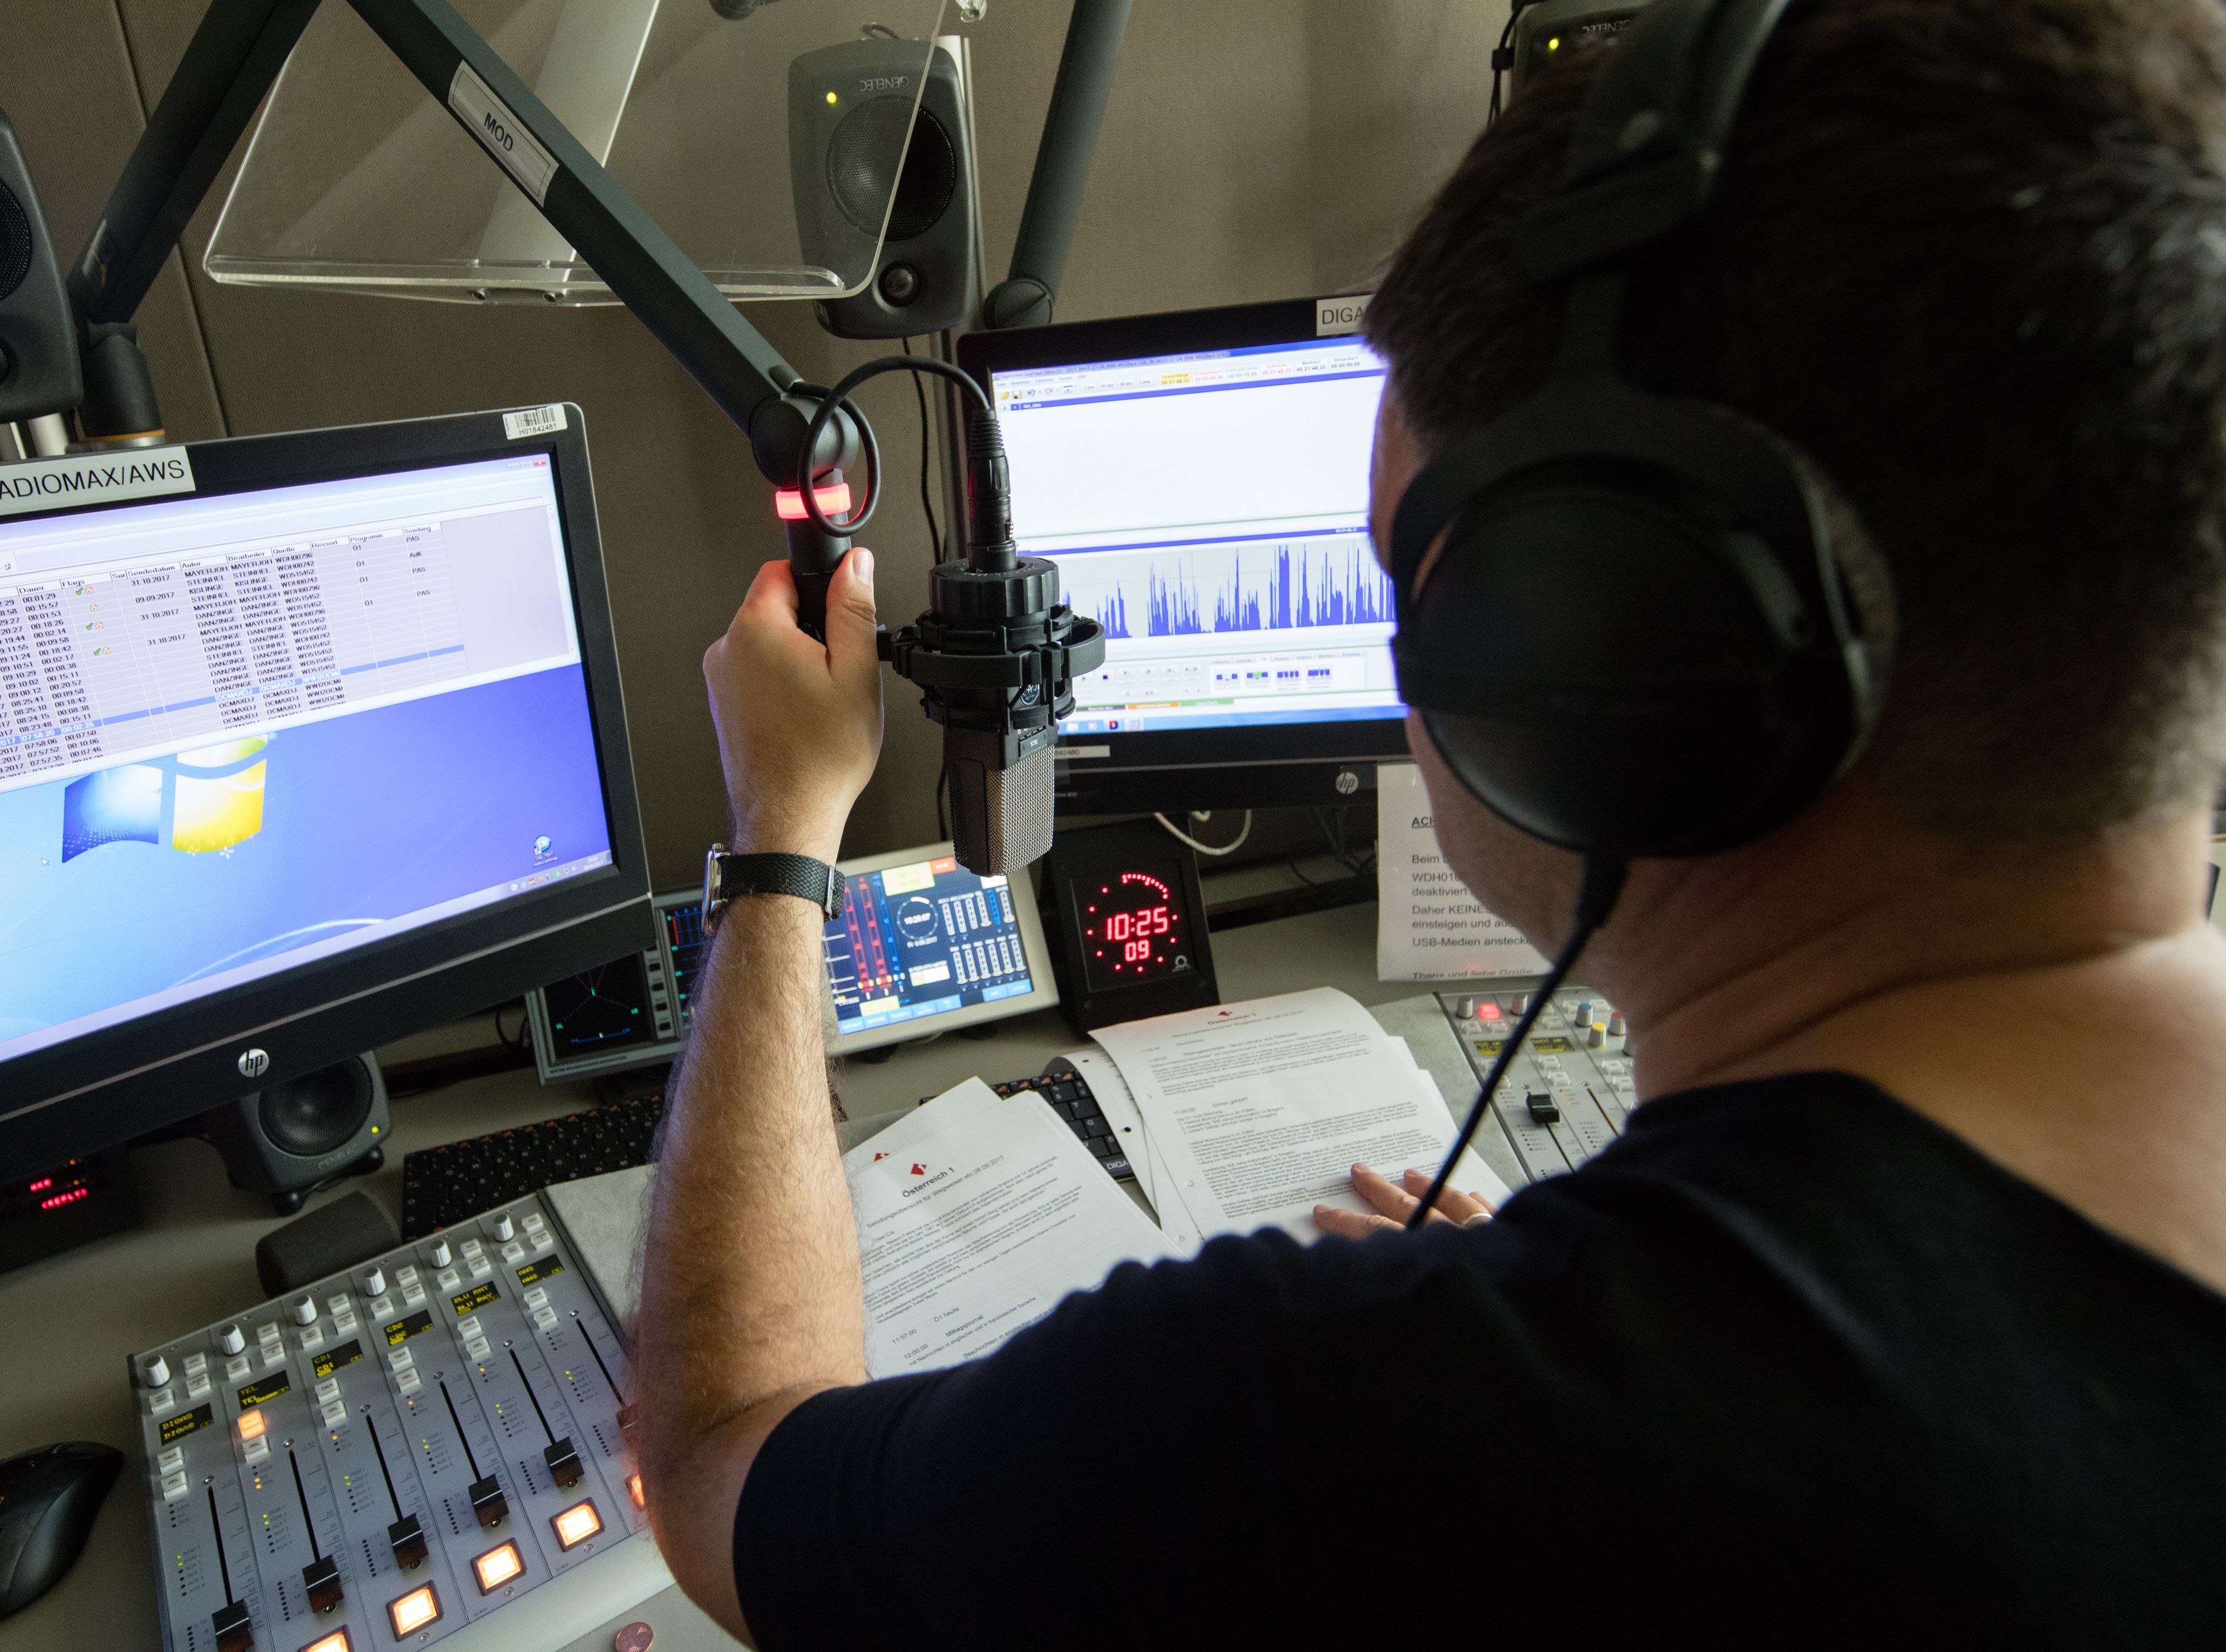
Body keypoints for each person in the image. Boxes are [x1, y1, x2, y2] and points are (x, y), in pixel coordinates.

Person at [630, 1, 2226, 1644]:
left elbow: (717, 1468)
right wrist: (1562, 1302)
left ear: (1590, 640)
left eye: (1409, 579)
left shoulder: (1315, 1416)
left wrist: (780, 835)